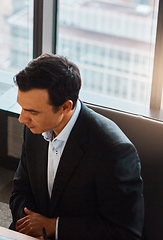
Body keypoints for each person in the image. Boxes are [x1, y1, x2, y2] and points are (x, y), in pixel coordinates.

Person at [9, 54, 144, 239]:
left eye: (32, 112)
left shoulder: (113, 151)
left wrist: (52, 227)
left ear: (66, 107)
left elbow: (125, 232)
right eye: (22, 107)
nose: (22, 119)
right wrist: (31, 224)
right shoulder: (34, 129)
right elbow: (20, 190)